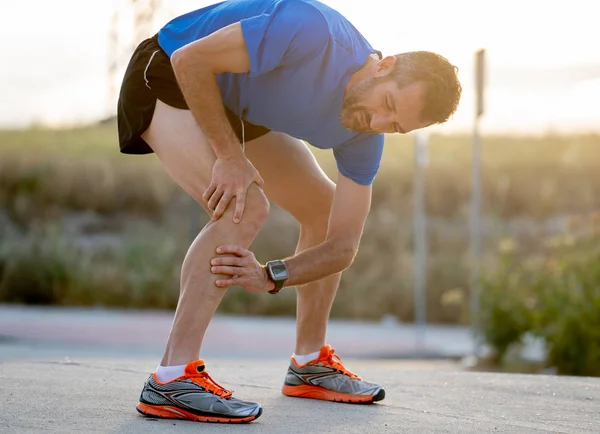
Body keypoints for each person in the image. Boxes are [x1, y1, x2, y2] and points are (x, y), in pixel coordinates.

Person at [117, 0, 461, 424]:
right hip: (168, 71)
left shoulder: (364, 136)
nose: (376, 121)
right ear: (383, 66)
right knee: (244, 203)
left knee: (323, 207)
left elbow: (342, 244)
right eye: (387, 104)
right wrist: (228, 155)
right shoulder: (311, 32)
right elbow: (192, 60)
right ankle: (172, 379)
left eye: (395, 126)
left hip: (235, 106)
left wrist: (271, 276)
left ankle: (310, 363)